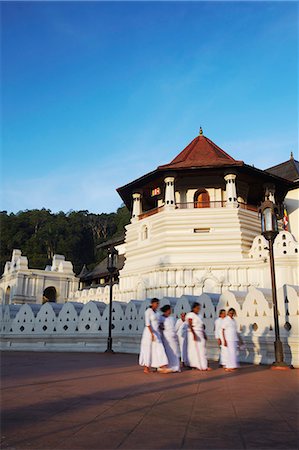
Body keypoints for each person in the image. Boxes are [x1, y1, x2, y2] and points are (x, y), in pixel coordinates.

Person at [139, 298, 170, 374]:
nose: (157, 305)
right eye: (156, 304)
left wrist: (161, 327)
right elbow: (148, 324)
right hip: (149, 333)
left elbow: (158, 323)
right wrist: (151, 334)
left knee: (159, 348)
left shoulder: (157, 313)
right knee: (148, 350)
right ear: (152, 303)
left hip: (157, 333)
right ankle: (146, 367)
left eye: (158, 304)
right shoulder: (148, 312)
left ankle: (162, 365)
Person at [186, 302, 211, 371]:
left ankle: (203, 365)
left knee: (202, 349)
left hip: (200, 332)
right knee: (195, 349)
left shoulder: (199, 316)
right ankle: (199, 366)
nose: (198, 309)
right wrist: (194, 334)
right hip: (193, 332)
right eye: (197, 308)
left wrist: (204, 334)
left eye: (199, 308)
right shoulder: (190, 315)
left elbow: (201, 326)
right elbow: (190, 325)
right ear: (193, 308)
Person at [160, 305, 181, 372]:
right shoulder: (161, 318)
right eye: (169, 310)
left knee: (175, 351)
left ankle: (176, 366)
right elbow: (159, 326)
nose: (170, 311)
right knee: (168, 351)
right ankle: (169, 366)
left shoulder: (172, 318)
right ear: (166, 310)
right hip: (166, 337)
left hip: (173, 337)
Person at [222, 308, 243, 372]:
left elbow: (236, 331)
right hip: (228, 338)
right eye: (230, 313)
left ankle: (233, 365)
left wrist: (239, 340)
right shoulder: (226, 320)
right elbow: (223, 330)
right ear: (228, 313)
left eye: (232, 313)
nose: (231, 314)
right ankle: (228, 367)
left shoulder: (234, 320)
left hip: (234, 338)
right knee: (230, 353)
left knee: (233, 353)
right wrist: (224, 340)